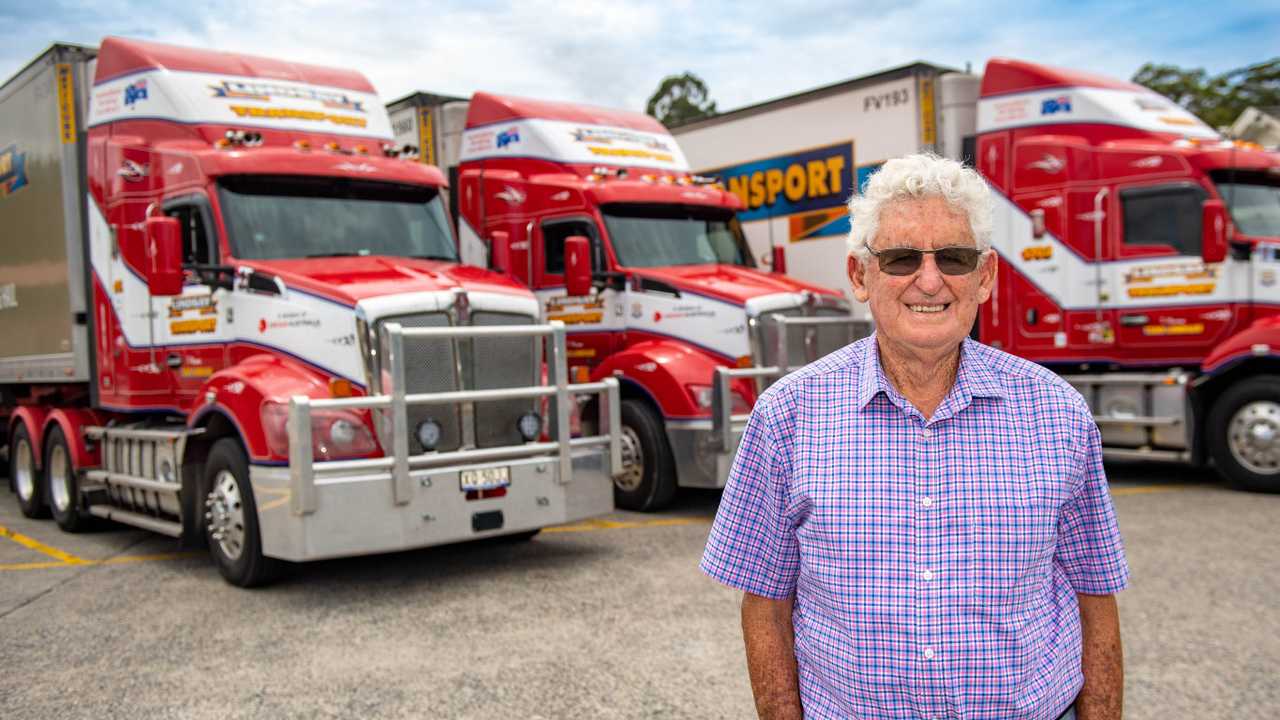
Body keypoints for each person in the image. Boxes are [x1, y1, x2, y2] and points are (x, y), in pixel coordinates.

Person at [700, 153, 1128, 720]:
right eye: (901, 258)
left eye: (953, 257)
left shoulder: (1058, 414)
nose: (930, 281)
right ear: (859, 275)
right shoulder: (787, 416)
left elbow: (1094, 597)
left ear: (985, 276)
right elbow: (766, 606)